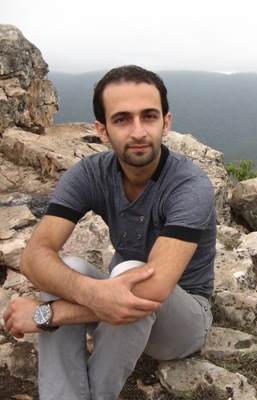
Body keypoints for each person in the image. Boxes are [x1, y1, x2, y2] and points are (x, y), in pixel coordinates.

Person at [3, 65, 217, 399]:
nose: (138, 131)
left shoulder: (190, 186)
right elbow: (34, 257)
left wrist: (47, 314)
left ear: (166, 123)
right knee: (69, 267)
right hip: (119, 303)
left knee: (132, 273)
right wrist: (95, 293)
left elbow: (153, 289)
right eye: (122, 119)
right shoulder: (89, 175)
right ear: (102, 130)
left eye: (149, 116)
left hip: (183, 322)